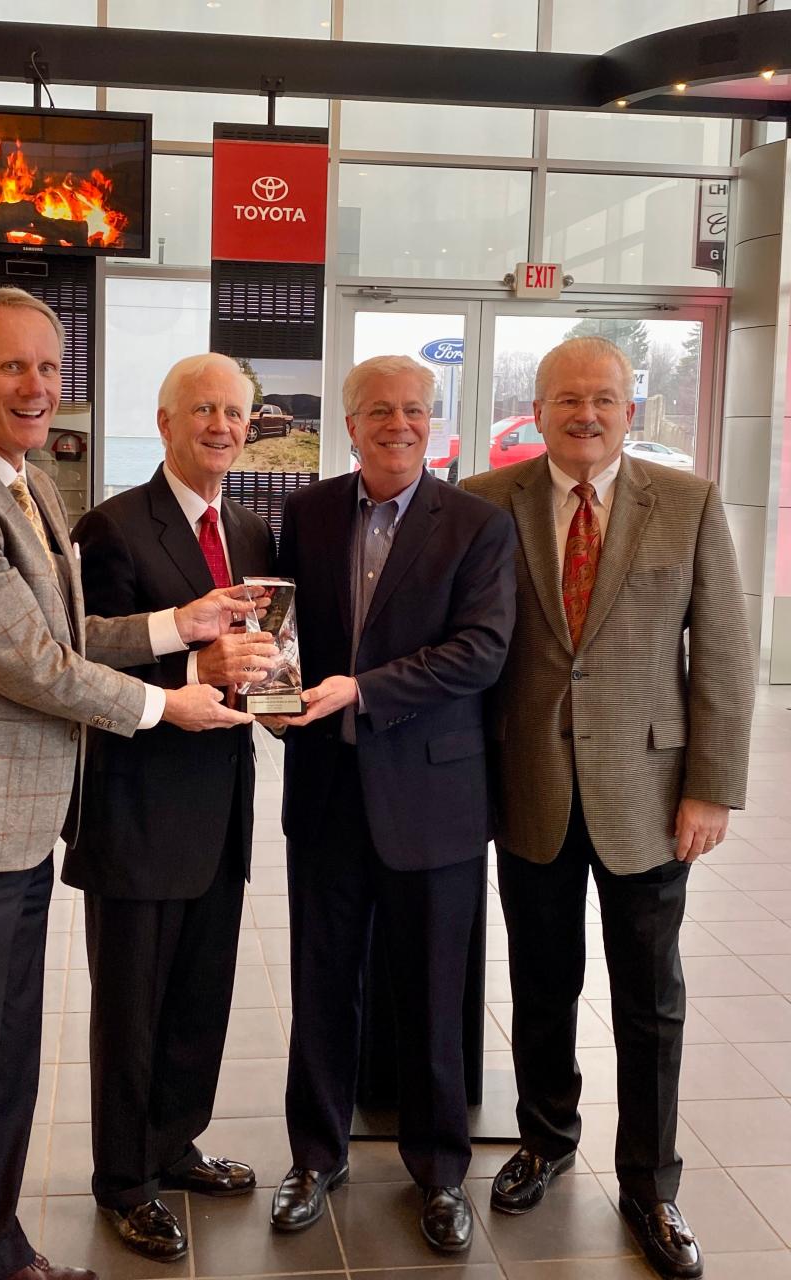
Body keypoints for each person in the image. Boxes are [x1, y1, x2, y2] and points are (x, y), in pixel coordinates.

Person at [0, 289, 258, 1280]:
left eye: (49, 367)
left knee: (2, 1074)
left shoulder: (25, 485)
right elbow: (25, 663)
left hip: (18, 832)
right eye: (12, 366)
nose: (38, 387)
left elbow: (63, 632)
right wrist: (170, 704)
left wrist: (181, 625)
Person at [460, 337, 755, 1280]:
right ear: (536, 412)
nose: (585, 414)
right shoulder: (481, 503)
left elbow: (721, 655)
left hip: (652, 796)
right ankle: (545, 1140)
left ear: (631, 412)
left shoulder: (690, 502)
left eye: (604, 400)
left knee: (650, 997)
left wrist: (712, 785)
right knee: (543, 984)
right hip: (530, 789)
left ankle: (651, 1186)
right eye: (565, 400)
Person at [265, 354, 517, 1253]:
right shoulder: (309, 512)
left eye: (414, 410)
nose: (398, 424)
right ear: (350, 423)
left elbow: (482, 651)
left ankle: (442, 1174)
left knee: (433, 994)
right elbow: (287, 634)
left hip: (434, 800)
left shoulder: (479, 527)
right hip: (328, 794)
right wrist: (274, 693)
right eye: (379, 410)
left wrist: (362, 690)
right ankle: (315, 1155)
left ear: (434, 421)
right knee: (321, 984)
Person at [62, 353, 277, 1262]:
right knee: (132, 1006)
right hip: (139, 805)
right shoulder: (112, 528)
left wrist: (285, 696)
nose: (221, 426)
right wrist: (195, 669)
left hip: (222, 802)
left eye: (235, 412)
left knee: (200, 995)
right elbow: (81, 662)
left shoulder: (257, 536)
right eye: (203, 410)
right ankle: (124, 1181)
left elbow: (266, 657)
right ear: (164, 421)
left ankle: (175, 1143)